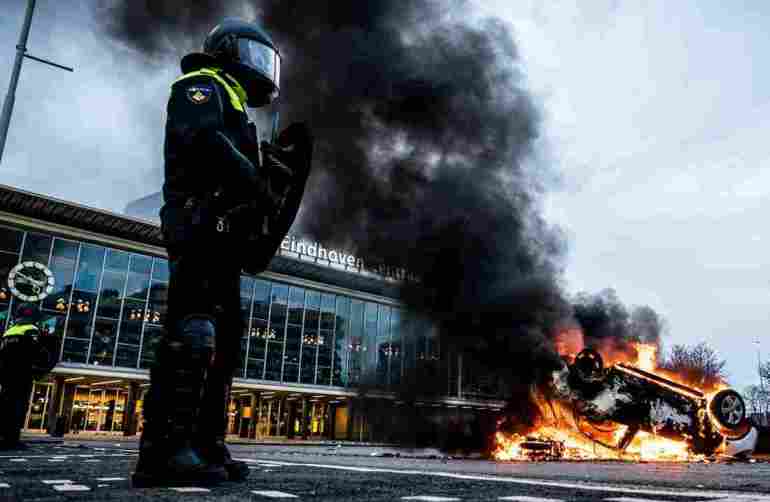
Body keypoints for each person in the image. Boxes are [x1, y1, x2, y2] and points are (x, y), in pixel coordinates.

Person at [132, 18, 312, 487]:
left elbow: (239, 174)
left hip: (225, 236)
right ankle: (163, 451)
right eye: (254, 54)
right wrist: (257, 180)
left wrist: (267, 188)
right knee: (191, 332)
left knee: (225, 342)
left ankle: (206, 442)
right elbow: (205, 143)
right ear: (228, 50)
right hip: (197, 225)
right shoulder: (200, 85)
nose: (261, 67)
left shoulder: (235, 105)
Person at [0, 303, 44, 449]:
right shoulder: (31, 330)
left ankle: (3, 437)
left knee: (5, 406)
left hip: (6, 375)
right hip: (22, 374)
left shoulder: (9, 331)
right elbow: (36, 352)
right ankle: (12, 440)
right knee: (18, 407)